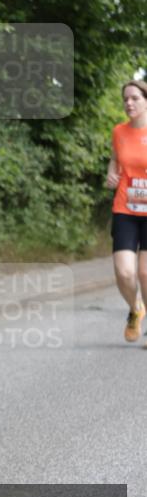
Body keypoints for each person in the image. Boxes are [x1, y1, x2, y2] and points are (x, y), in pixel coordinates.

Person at [105, 79, 147, 343]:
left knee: (145, 272)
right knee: (124, 272)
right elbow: (115, 158)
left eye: (135, 98)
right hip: (125, 208)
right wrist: (111, 172)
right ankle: (135, 309)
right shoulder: (119, 132)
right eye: (126, 99)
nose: (129, 103)